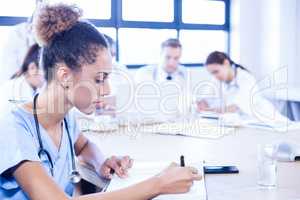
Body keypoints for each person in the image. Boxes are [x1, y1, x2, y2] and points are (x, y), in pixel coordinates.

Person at [0, 4, 201, 200]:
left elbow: (85, 145)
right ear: (65, 76)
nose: (107, 90)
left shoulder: (64, 117)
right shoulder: (14, 127)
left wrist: (101, 162)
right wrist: (158, 184)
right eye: (99, 79)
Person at [197, 51, 288, 122]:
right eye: (211, 73)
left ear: (226, 63)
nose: (215, 76)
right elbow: (205, 99)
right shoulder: (217, 80)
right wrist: (203, 102)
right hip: (242, 121)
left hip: (262, 118)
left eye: (216, 72)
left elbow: (236, 107)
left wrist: (212, 110)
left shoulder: (245, 78)